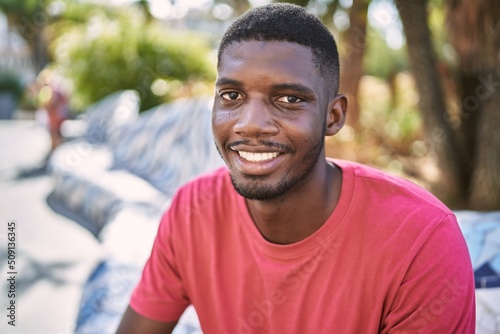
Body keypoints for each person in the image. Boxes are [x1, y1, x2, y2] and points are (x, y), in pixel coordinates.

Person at [117, 3, 475, 333]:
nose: (251, 124)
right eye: (232, 96)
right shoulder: (192, 210)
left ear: (333, 117)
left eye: (289, 99)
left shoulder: (421, 241)